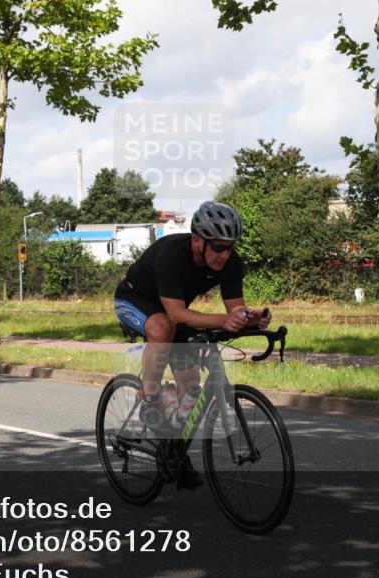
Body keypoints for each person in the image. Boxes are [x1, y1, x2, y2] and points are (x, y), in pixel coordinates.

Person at [113, 201, 271, 489]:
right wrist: (224, 320)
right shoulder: (173, 256)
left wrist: (252, 318)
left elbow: (235, 309)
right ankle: (149, 398)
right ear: (198, 240)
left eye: (230, 247)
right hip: (135, 300)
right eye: (218, 247)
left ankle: (174, 452)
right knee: (162, 328)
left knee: (190, 386)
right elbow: (175, 316)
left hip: (173, 308)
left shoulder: (231, 263)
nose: (225, 254)